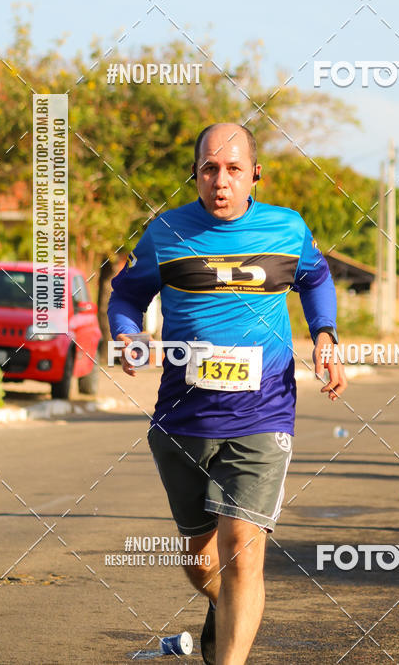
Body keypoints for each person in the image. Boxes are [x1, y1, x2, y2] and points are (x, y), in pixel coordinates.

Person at [108, 123, 345, 665]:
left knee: (244, 553)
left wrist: (325, 335)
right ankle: (228, 605)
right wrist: (127, 334)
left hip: (264, 413)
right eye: (209, 169)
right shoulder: (166, 231)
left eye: (234, 169)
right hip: (182, 418)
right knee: (200, 560)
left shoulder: (286, 229)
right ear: (195, 174)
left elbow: (316, 280)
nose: (221, 181)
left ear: (254, 174)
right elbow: (126, 294)